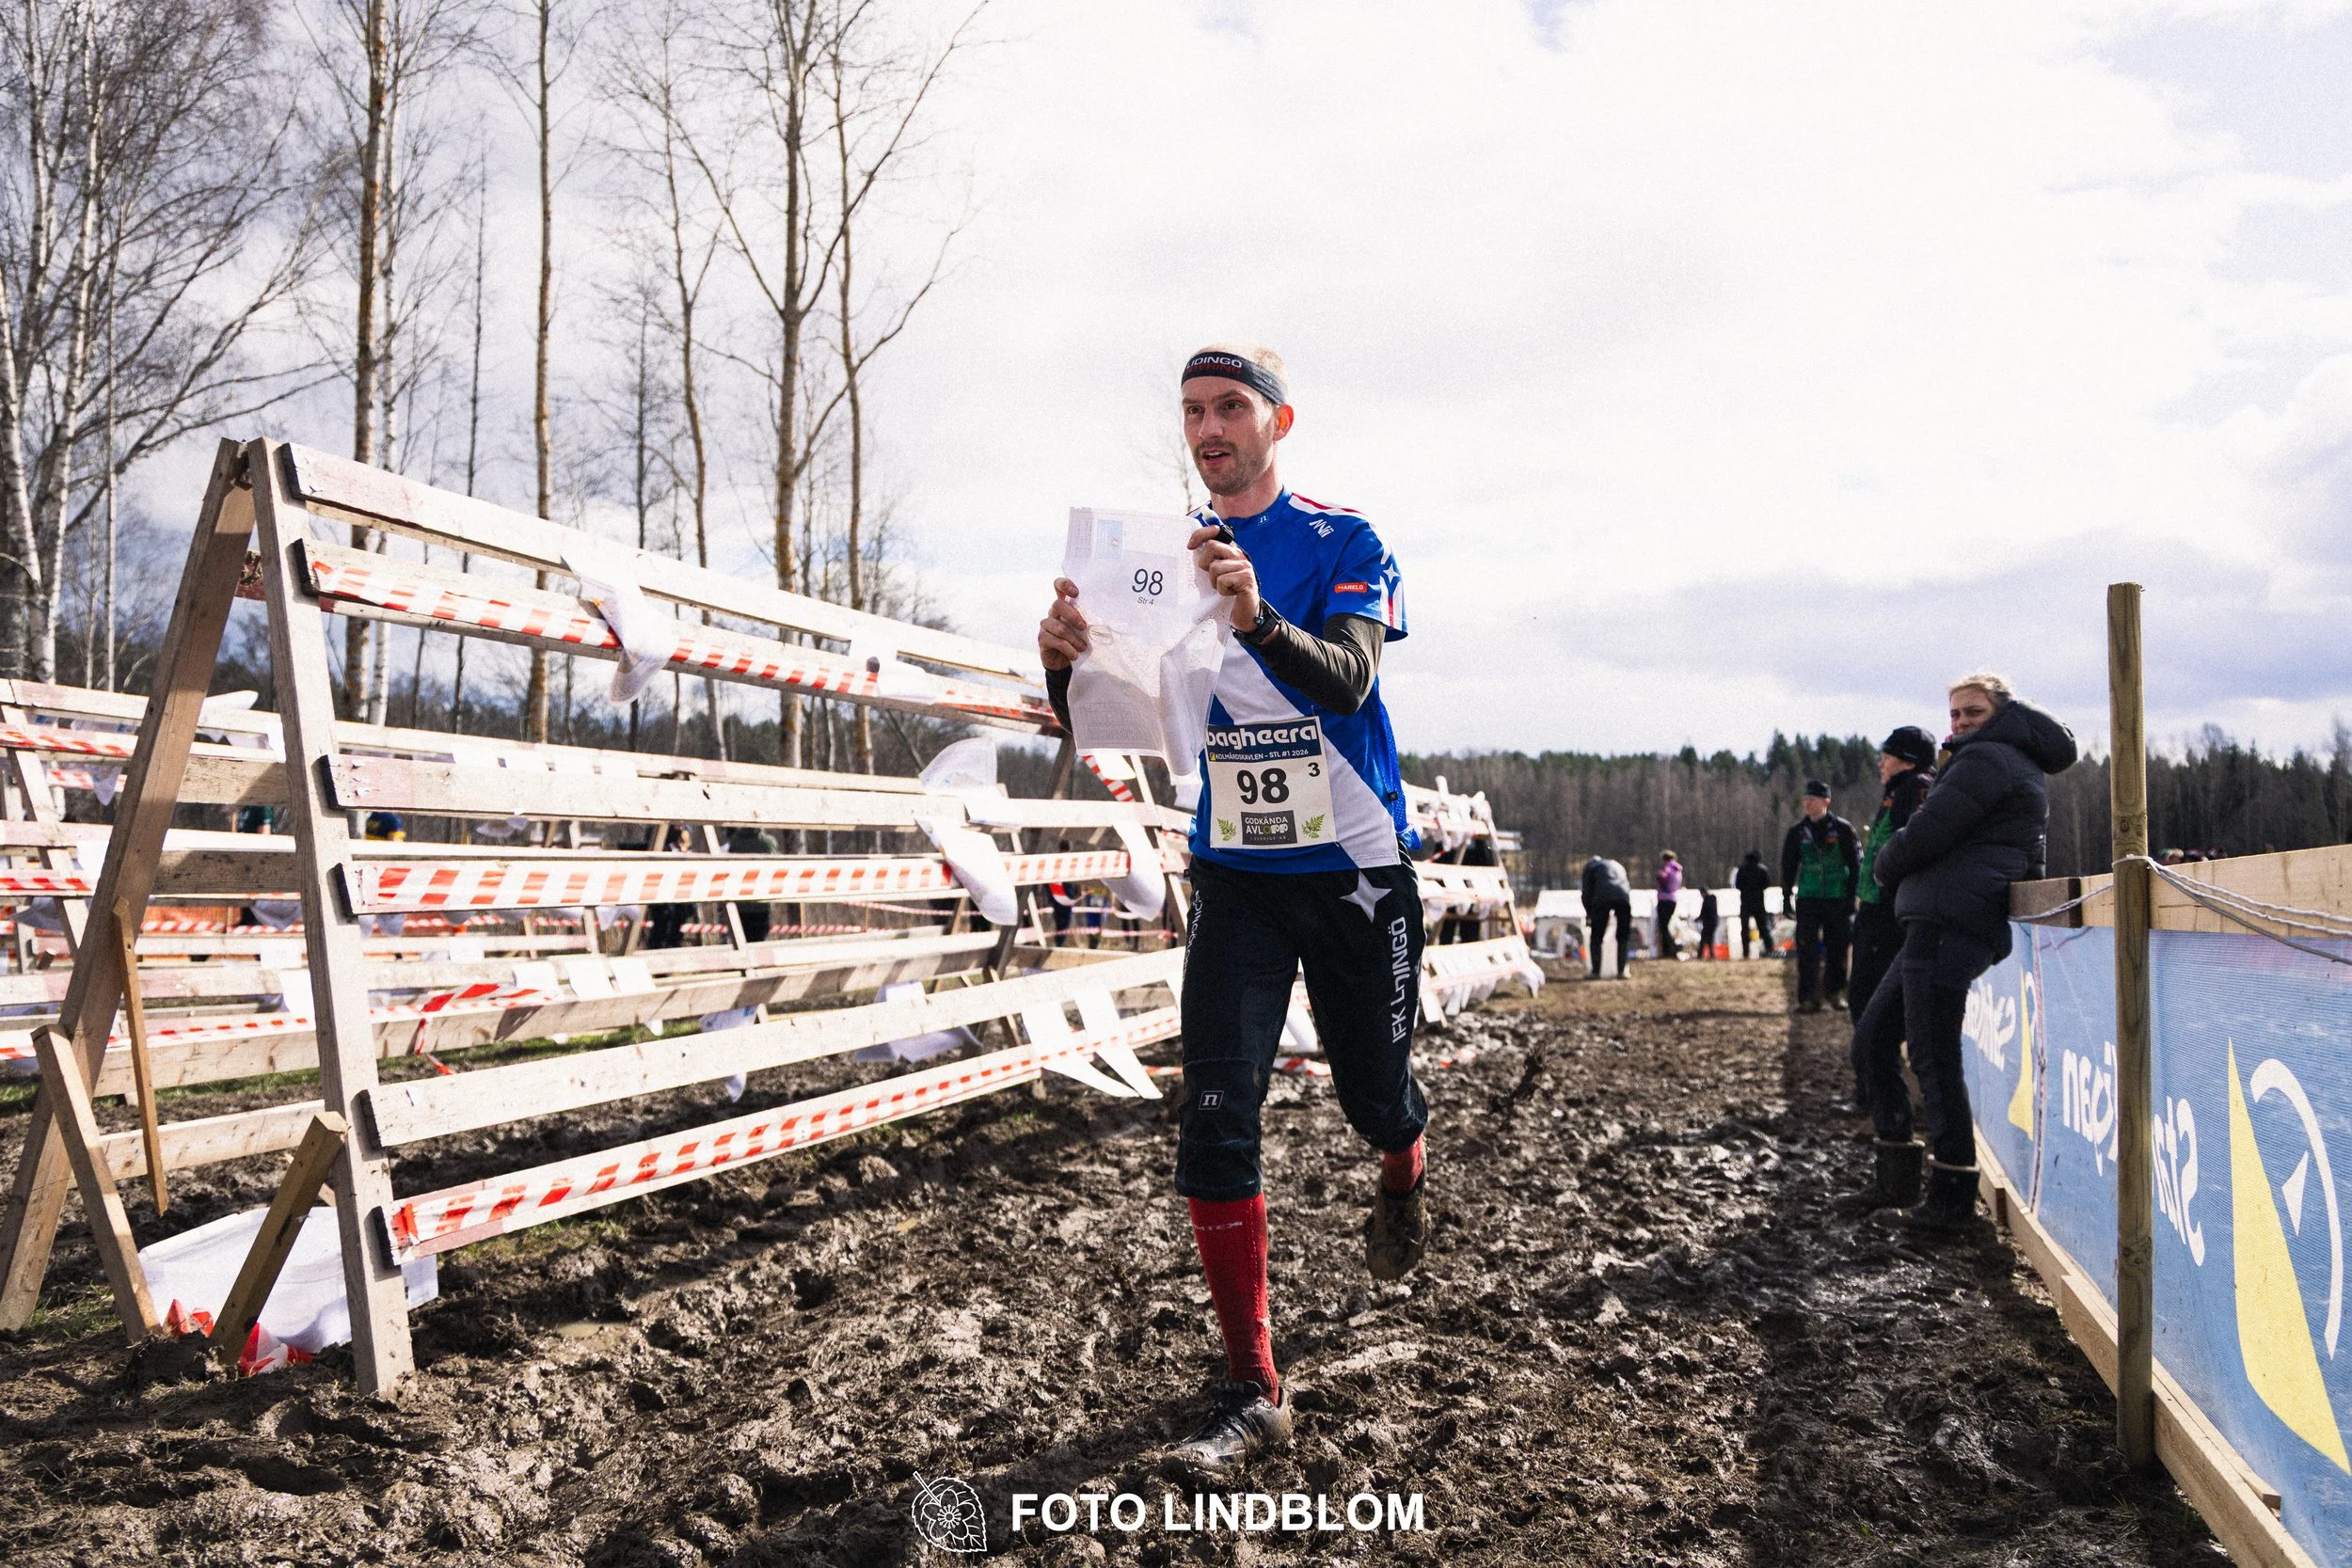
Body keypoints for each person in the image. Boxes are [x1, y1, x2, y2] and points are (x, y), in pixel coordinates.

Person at [1037, 341, 1422, 1470]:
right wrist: (1064, 662)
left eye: (1230, 408)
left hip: (1354, 867)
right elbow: (1105, 718)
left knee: (1372, 1097)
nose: (1208, 428)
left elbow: (1348, 679)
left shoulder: (1343, 539)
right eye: (1193, 411)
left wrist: (1254, 614)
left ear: (1277, 422)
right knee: (1213, 1111)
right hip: (1237, 873)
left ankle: (1403, 1160)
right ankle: (1254, 1384)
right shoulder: (1150, 556)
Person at [1849, 672, 2076, 1227]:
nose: (1960, 723)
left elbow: (1926, 833)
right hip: (1942, 918)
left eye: (1972, 711)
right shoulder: (1998, 758)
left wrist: (1882, 864)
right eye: (1953, 714)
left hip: (1951, 920)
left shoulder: (1988, 760)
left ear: (2002, 711)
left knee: (1931, 1055)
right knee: (1876, 1039)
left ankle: (1951, 1192)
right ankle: (1897, 1175)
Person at [1843, 726, 1938, 1111]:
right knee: (1861, 1000)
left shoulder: (1916, 788)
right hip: (1875, 911)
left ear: (1908, 760)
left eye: (1887, 755)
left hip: (1889, 915)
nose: (1880, 763)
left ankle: (1882, 1097)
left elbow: (1909, 848)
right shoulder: (1895, 792)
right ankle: (1870, 1090)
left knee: (1871, 1005)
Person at [1780, 781, 1859, 1011]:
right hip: (1808, 896)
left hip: (1837, 896)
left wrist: (1852, 896)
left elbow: (1855, 864)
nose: (1807, 804)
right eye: (1805, 800)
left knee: (1838, 948)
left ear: (1826, 802)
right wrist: (1786, 896)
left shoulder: (1844, 829)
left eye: (1812, 800)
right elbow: (1788, 865)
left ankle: (1835, 994)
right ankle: (1807, 998)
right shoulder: (1797, 832)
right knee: (1806, 948)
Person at [1580, 854, 1634, 978]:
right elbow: (1626, 885)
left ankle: (1595, 972)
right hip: (1623, 897)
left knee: (1596, 938)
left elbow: (1586, 893)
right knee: (1623, 937)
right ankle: (1622, 971)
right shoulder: (1617, 865)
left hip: (1603, 897)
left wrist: (1589, 914)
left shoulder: (1591, 867)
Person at [1733, 848, 1773, 957]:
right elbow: (1766, 884)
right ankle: (1770, 949)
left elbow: (1737, 885)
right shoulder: (1762, 870)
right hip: (1758, 901)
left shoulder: (1741, 869)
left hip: (1745, 901)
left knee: (1744, 928)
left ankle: (1746, 952)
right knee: (1763, 927)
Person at [1653, 850, 1683, 958]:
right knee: (1666, 925)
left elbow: (1662, 878)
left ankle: (1669, 950)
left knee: (1663, 927)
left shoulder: (1667, 868)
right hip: (1673, 899)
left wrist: (1659, 875)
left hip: (1664, 899)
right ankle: (1672, 948)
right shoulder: (1677, 870)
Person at [1694, 883, 1720, 960]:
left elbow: (1704, 913)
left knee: (1703, 939)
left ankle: (1700, 955)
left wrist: (1697, 919)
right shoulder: (1712, 899)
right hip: (1714, 922)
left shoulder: (1706, 901)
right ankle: (1712, 955)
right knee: (1710, 939)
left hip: (1708, 923)